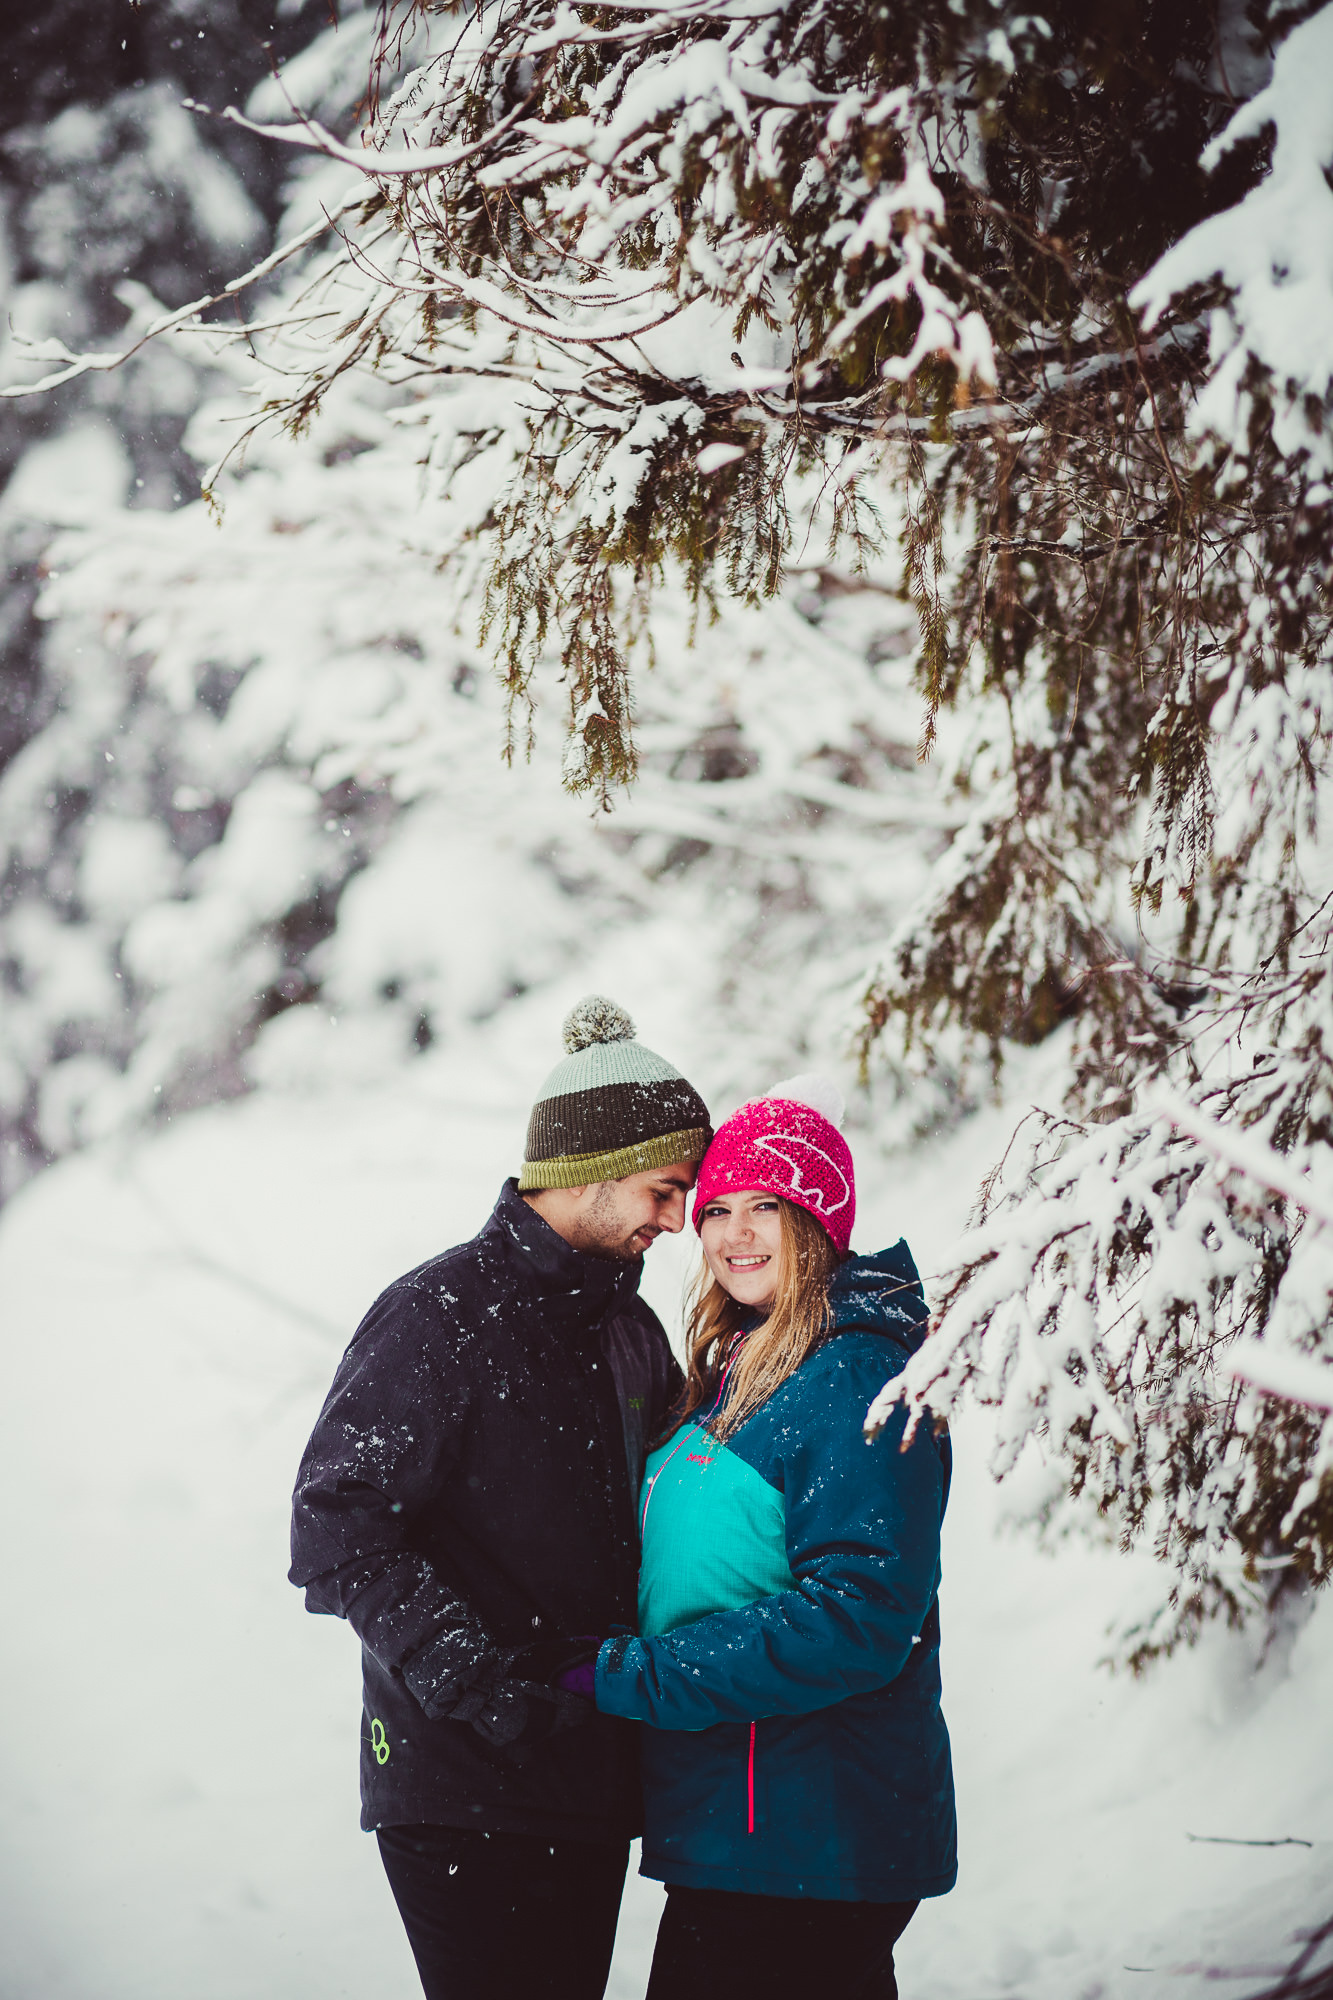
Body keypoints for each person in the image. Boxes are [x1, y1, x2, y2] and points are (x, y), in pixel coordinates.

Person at [289, 997, 712, 2000]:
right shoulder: (437, 1315)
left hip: (587, 1778)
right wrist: (481, 1686)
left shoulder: (630, 1331)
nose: (674, 1217)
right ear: (595, 1166)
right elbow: (335, 1524)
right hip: (460, 1782)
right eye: (664, 1188)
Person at [595, 1076, 957, 2000]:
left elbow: (861, 1616)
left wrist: (637, 1675)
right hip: (740, 1820)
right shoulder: (740, 1366)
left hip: (807, 1826)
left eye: (767, 1206)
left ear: (819, 1222)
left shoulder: (857, 1369)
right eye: (715, 1208)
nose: (734, 1233)